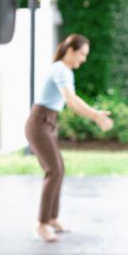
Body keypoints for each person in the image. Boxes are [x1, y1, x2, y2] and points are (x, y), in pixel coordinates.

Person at [25, 34, 113, 242]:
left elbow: (71, 100)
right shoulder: (60, 70)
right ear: (70, 51)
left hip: (48, 122)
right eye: (82, 54)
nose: (83, 59)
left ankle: (52, 218)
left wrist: (95, 113)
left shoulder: (64, 71)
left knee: (58, 170)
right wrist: (96, 116)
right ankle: (42, 224)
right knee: (54, 170)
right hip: (39, 124)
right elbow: (71, 101)